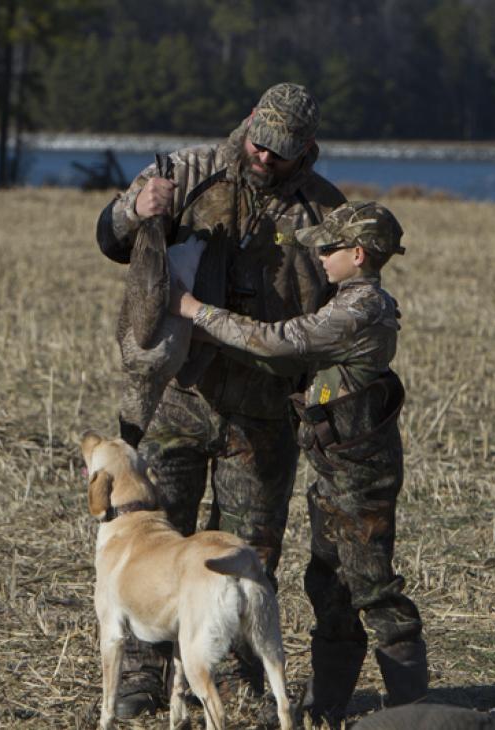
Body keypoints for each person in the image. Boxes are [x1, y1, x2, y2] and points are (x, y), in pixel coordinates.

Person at [95, 82, 346, 718]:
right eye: (259, 142)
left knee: (249, 553)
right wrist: (135, 210)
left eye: (281, 152)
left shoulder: (324, 210)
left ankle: (242, 676)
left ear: (307, 150)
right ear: (248, 124)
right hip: (178, 397)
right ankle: (143, 679)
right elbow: (110, 237)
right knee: (155, 539)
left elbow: (347, 300)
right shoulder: (186, 171)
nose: (264, 157)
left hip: (264, 408)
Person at [172, 201, 427, 728]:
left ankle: (412, 710)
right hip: (336, 467)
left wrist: (197, 311)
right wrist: (213, 333)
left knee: (372, 586)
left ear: (357, 255)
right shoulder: (348, 303)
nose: (319, 255)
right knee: (328, 583)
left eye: (329, 248)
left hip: (359, 475)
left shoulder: (358, 310)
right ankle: (329, 706)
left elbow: (279, 341)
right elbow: (281, 353)